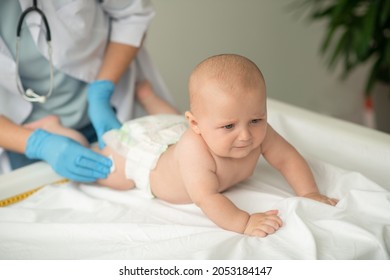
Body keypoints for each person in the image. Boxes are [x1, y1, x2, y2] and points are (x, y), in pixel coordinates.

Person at [27, 54, 338, 237]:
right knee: (105, 168)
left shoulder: (253, 130)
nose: (245, 135)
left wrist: (309, 192)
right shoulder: (195, 149)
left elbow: (287, 159)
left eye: (256, 120)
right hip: (144, 159)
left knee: (168, 121)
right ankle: (58, 132)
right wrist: (244, 222)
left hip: (170, 131)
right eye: (229, 126)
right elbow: (206, 197)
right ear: (197, 126)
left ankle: (147, 96)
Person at [0, 0, 176, 182]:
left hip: (106, 97)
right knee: (115, 174)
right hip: (20, 124)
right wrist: (39, 144)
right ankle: (51, 128)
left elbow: (132, 14)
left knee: (111, 164)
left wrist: (101, 90)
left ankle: (53, 126)